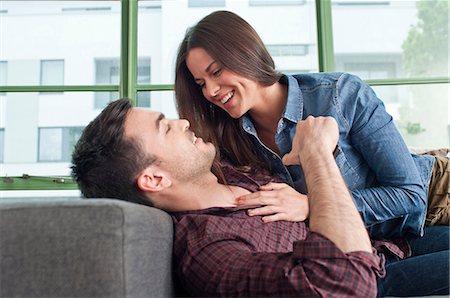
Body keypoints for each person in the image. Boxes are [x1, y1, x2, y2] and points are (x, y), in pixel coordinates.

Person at [71, 98, 449, 297]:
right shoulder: (210, 250)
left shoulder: (230, 172)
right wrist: (317, 153)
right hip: (375, 276)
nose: (183, 122)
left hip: (391, 243)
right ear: (154, 178)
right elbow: (345, 287)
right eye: (166, 128)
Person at [174, 10, 449, 240]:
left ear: (244, 53)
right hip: (380, 241)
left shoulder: (341, 94)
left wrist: (312, 205)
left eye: (216, 72)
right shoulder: (229, 140)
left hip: (436, 197)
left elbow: (409, 194)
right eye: (201, 84)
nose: (210, 91)